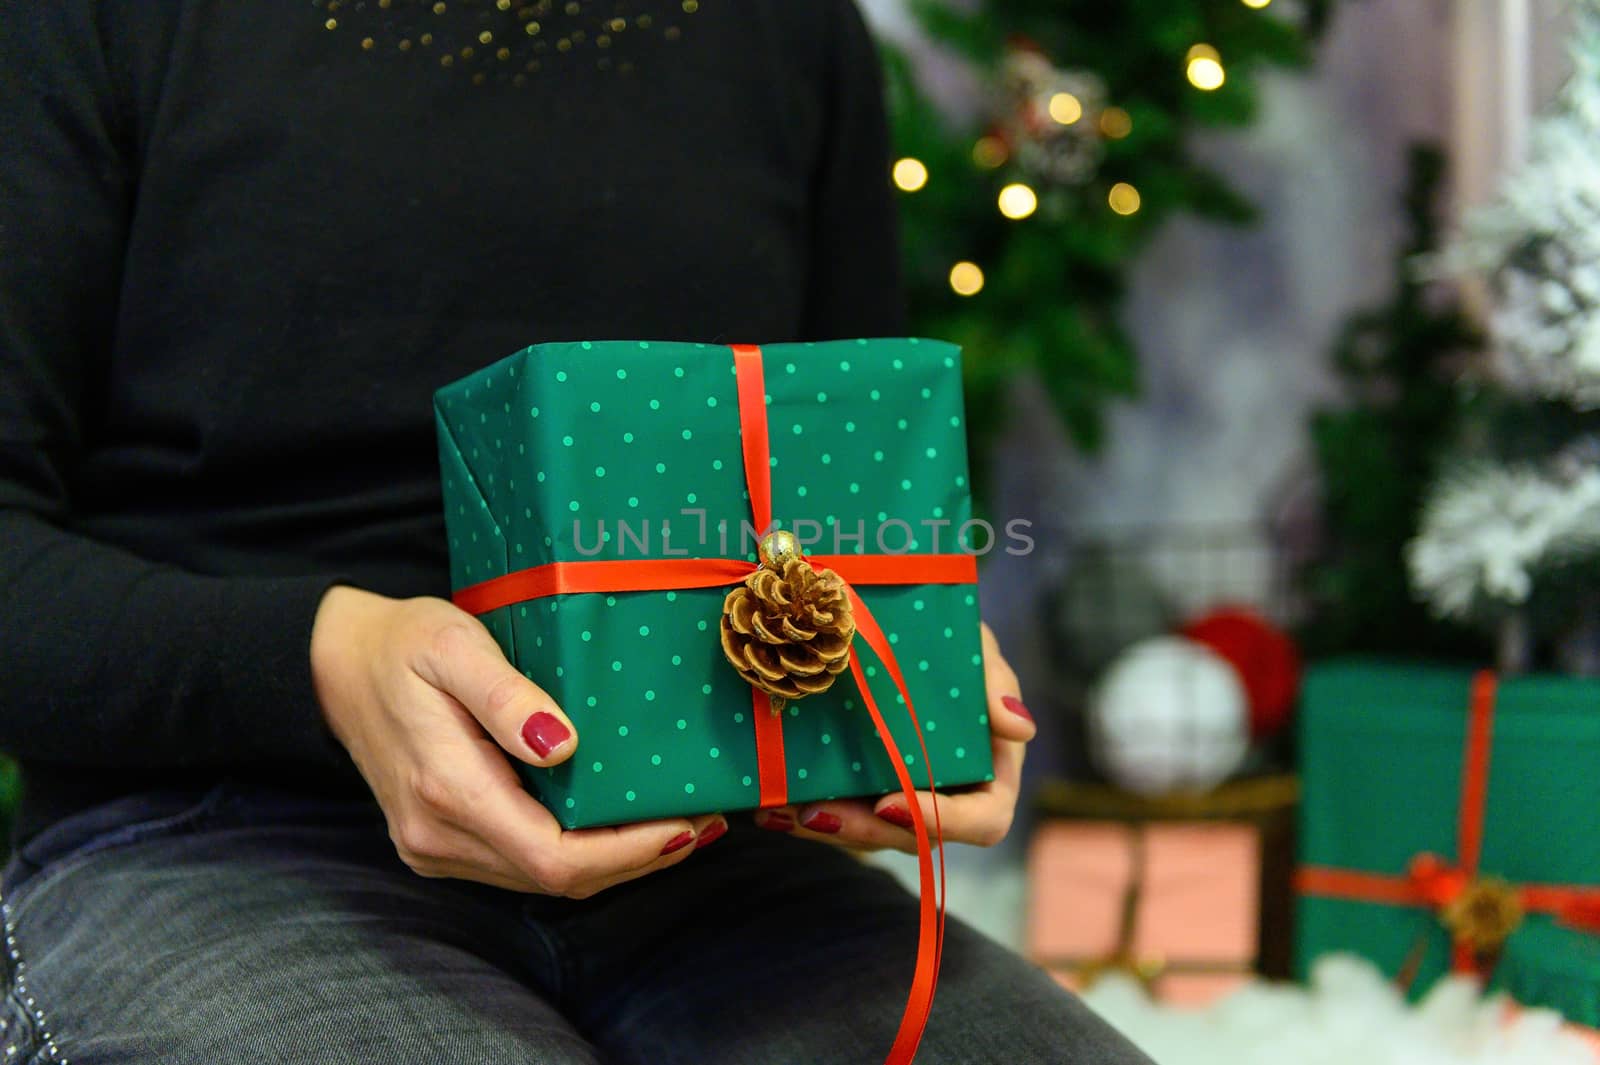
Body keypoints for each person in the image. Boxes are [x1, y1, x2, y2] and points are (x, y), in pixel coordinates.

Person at [0, 1, 1153, 1061]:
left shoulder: (790, 30)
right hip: (212, 838)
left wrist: (902, 653)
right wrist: (318, 663)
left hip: (711, 855)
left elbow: (828, 480)